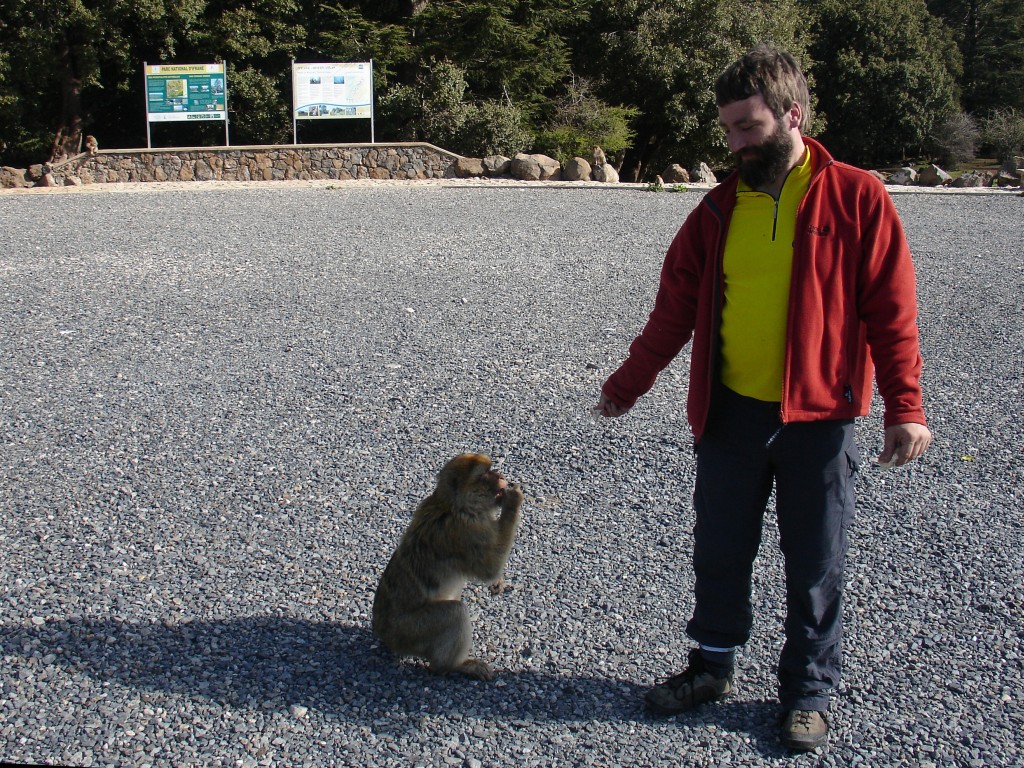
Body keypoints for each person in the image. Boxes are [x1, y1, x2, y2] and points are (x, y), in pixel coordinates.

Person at [593, 44, 932, 751]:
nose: (735, 144)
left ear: (792, 115)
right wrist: (628, 385)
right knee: (719, 552)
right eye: (727, 131)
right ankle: (710, 668)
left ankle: (807, 692)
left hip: (821, 417)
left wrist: (906, 407)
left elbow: (891, 310)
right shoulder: (717, 210)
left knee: (815, 564)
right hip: (730, 415)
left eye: (747, 127)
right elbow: (672, 312)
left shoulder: (857, 197)